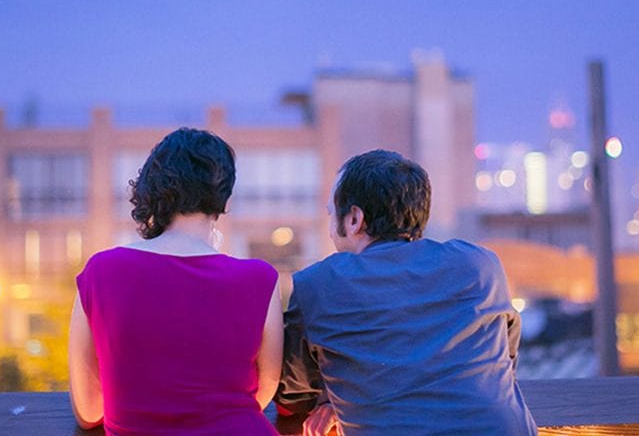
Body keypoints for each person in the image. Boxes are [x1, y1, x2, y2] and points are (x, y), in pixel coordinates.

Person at [275, 150, 537, 436]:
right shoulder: (480, 265)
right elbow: (502, 358)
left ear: (354, 219)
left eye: (331, 213)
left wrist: (335, 398)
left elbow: (293, 393)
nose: (329, 228)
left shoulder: (320, 284)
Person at [69, 128, 283, 435]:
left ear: (151, 189)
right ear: (224, 195)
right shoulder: (259, 278)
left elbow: (89, 410)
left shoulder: (101, 271)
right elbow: (265, 388)